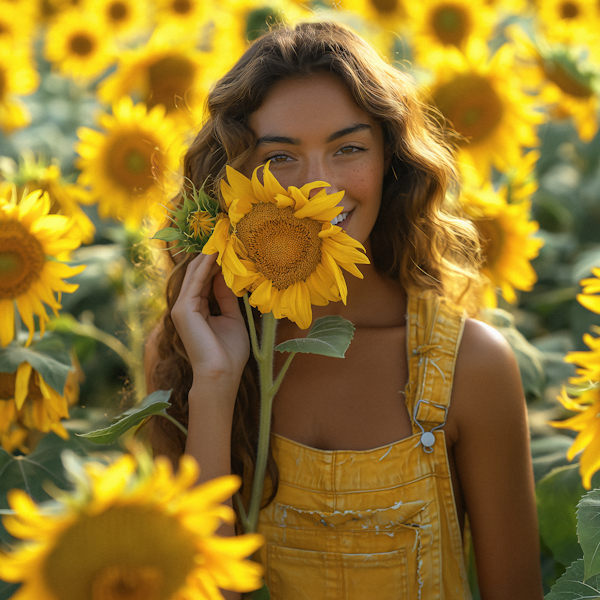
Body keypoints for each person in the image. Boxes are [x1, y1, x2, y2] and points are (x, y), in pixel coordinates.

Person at [144, 21, 543, 600]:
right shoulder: (187, 354)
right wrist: (214, 385)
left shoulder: (470, 366)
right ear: (237, 179)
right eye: (282, 157)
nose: (319, 187)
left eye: (349, 148)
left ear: (391, 161)